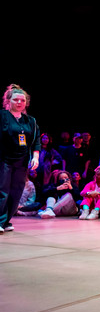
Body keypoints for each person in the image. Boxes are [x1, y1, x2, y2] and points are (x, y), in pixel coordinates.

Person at [0, 85, 40, 233]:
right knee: (2, 190)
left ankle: (6, 221)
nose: (19, 102)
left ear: (26, 102)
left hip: (22, 161)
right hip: (4, 159)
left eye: (22, 100)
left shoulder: (30, 121)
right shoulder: (3, 116)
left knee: (16, 191)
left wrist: (35, 157)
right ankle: (0, 220)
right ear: (8, 101)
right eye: (15, 99)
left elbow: (36, 140)